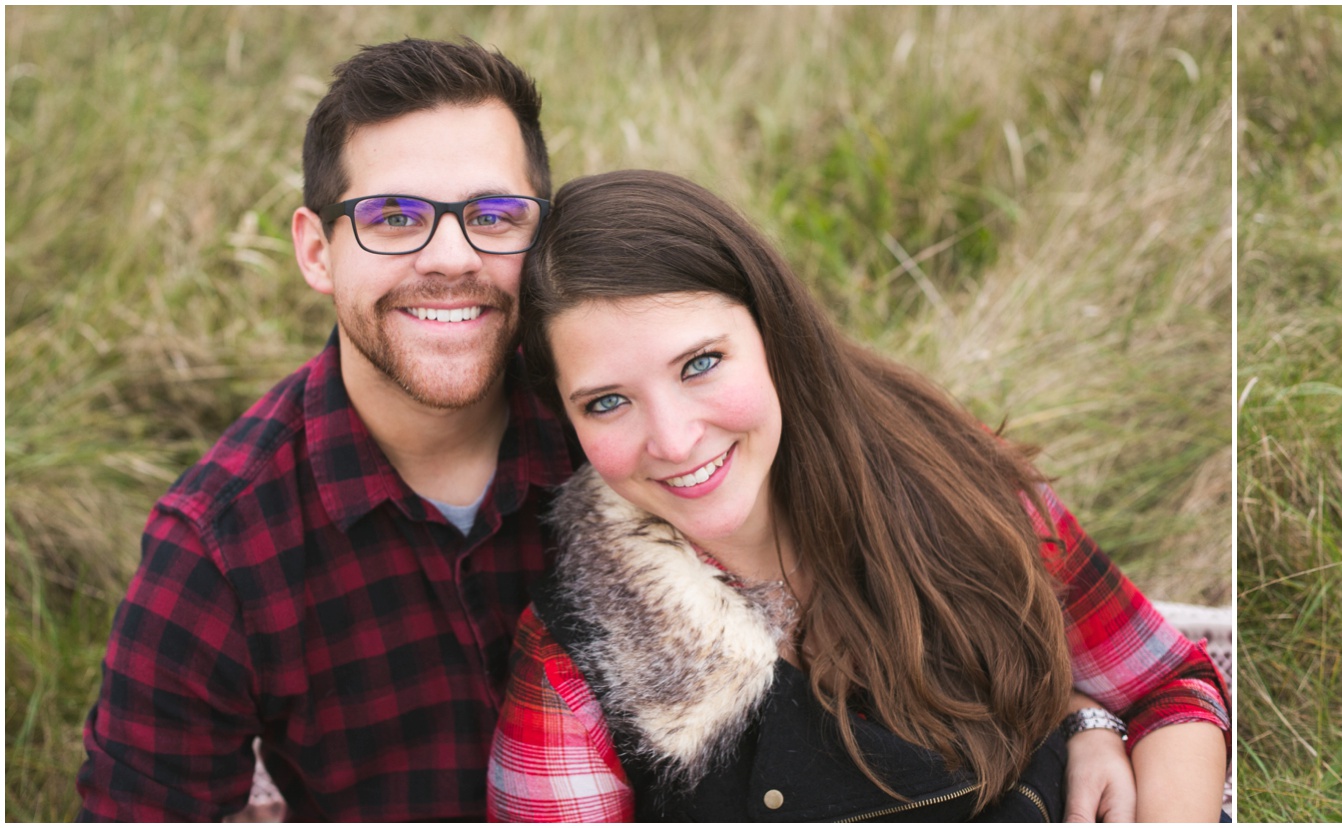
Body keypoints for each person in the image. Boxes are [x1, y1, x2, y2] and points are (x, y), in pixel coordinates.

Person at [484, 170, 1230, 821]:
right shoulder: (576, 664)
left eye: (701, 362)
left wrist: (1092, 724)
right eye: (607, 403)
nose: (675, 441)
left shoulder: (952, 480)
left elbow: (1171, 688)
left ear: (772, 331)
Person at [75, 39, 574, 821]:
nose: (451, 257)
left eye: (492, 215)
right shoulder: (216, 550)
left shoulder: (623, 433)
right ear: (316, 251)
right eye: (395, 216)